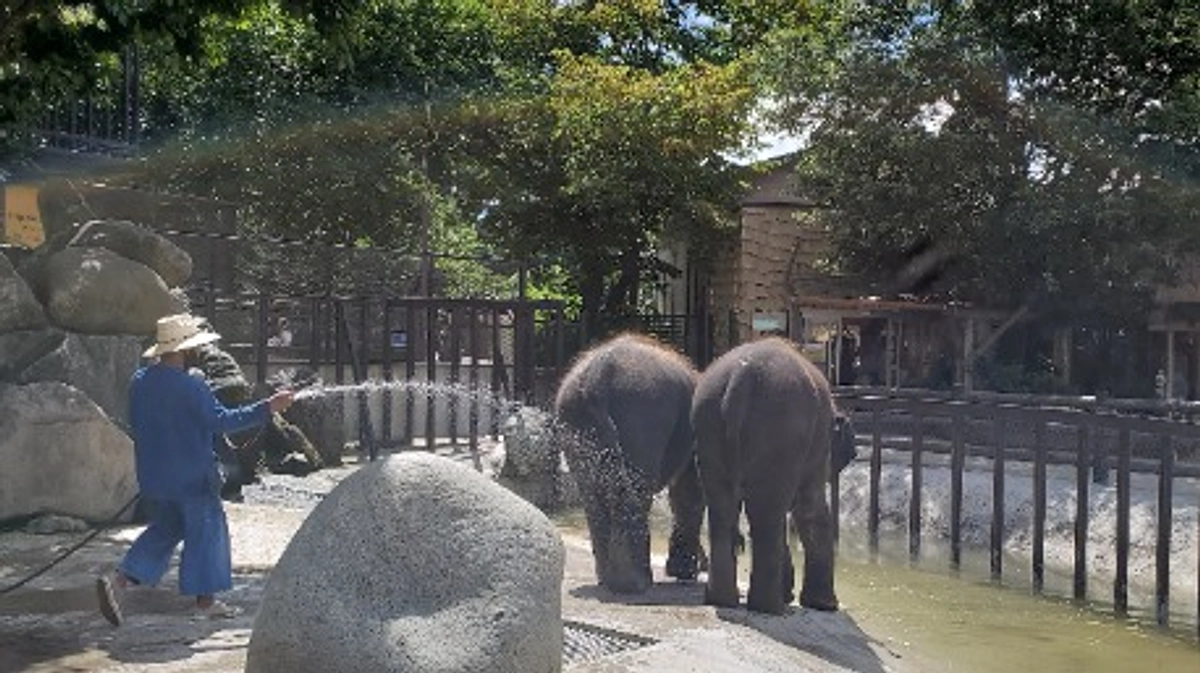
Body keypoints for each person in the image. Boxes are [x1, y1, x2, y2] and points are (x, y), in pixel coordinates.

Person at [96, 313, 294, 626]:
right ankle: (205, 603)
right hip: (193, 478)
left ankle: (118, 582)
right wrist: (268, 407)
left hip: (154, 478)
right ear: (187, 349)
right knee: (207, 533)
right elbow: (222, 421)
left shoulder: (140, 382)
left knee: (166, 529)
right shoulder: (191, 387)